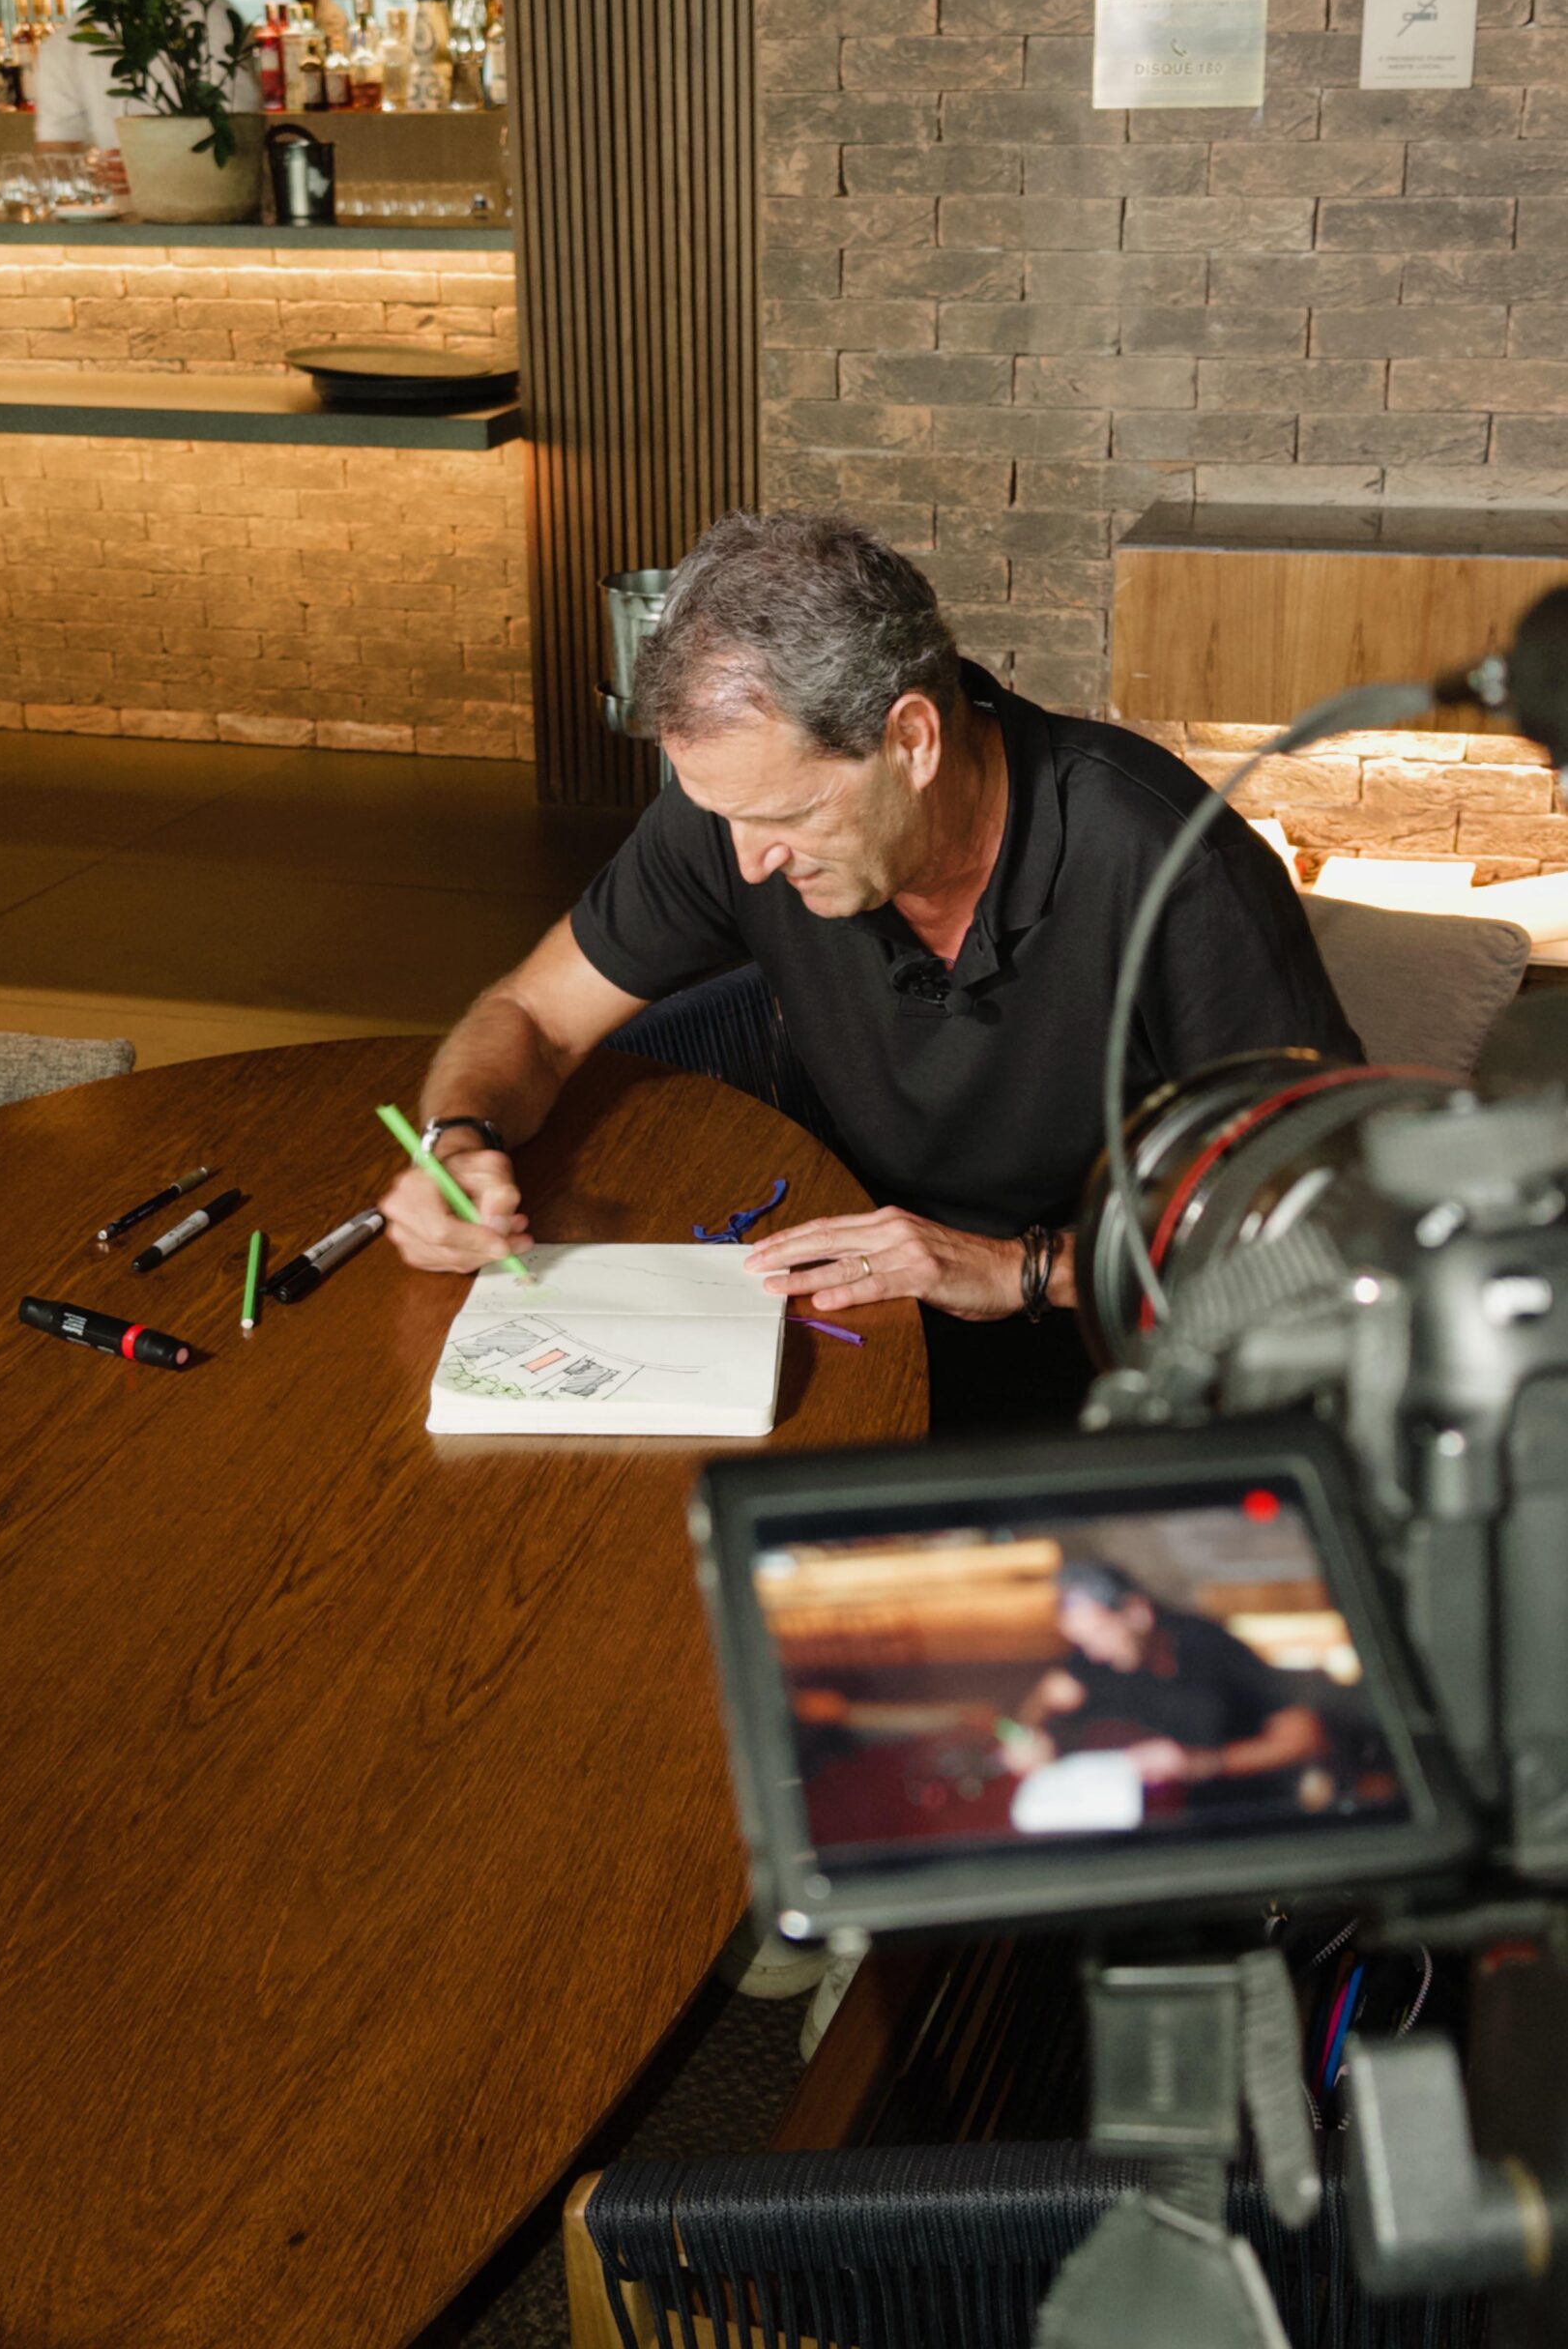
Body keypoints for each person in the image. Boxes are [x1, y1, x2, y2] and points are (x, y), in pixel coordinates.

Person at [380, 511, 1360, 1431]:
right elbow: (532, 1014)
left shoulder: (1171, 870)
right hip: (849, 1303)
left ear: (911, 741)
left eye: (787, 818)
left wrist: (1014, 1269)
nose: (748, 860)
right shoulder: (735, 813)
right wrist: (456, 1140)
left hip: (1107, 1352)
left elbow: (1324, 1235)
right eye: (723, 818)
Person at [1001, 1560, 1329, 1800]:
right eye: (1081, 1641)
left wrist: (1206, 1763)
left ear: (1137, 1613)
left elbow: (1304, 1737)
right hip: (1161, 1818)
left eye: (1100, 1634)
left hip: (1251, 1812)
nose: (1094, 1654)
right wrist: (1028, 1736)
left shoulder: (1209, 1646)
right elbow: (1046, 1698)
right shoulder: (1093, 1659)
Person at [37, 0, 260, 190]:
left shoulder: (211, 20)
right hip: (110, 223)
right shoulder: (66, 43)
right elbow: (56, 154)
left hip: (209, 208)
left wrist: (156, 170)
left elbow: (240, 133)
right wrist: (91, 171)